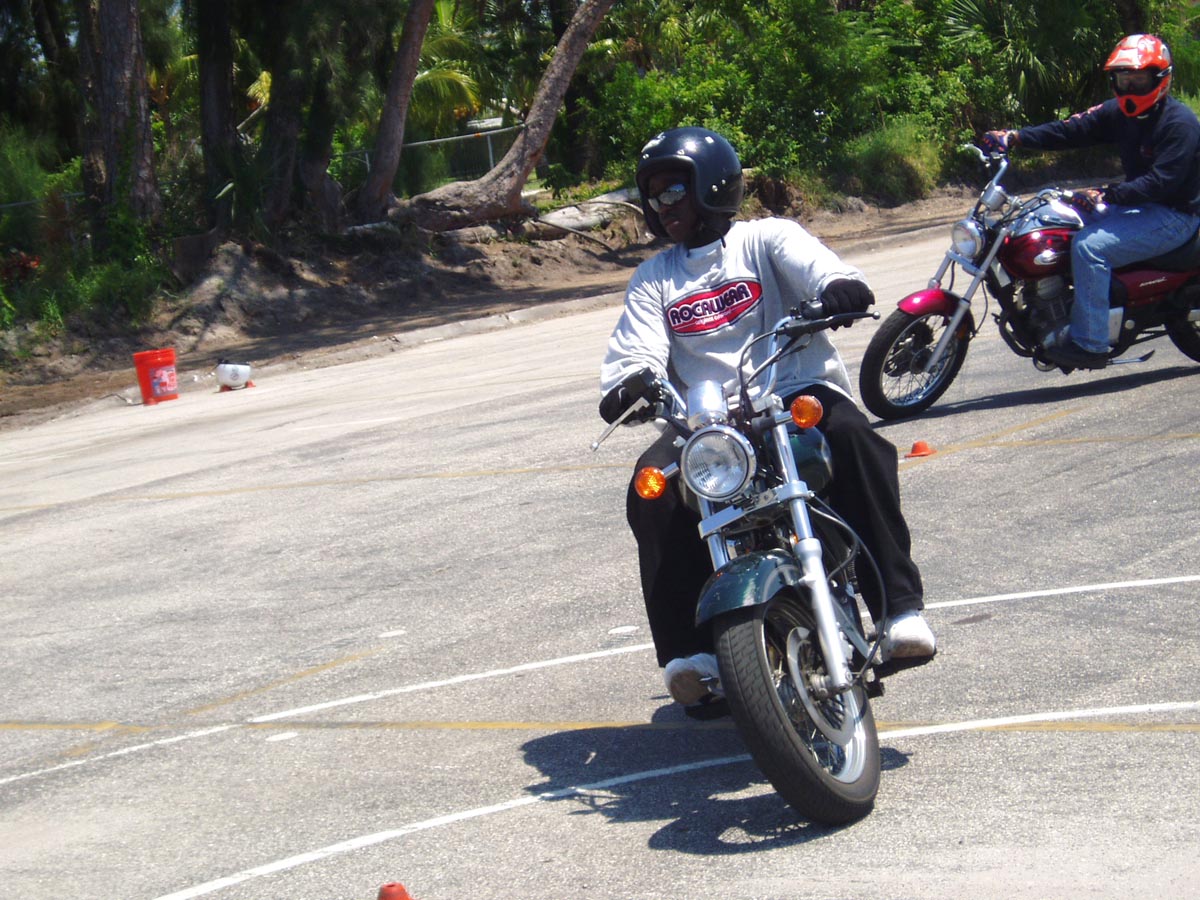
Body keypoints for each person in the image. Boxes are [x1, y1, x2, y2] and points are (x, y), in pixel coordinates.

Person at [598, 126, 936, 711]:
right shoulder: (654, 278)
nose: (662, 206)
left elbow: (821, 269)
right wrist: (630, 383)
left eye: (674, 191)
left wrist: (838, 289)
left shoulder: (767, 238)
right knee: (650, 489)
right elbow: (636, 351)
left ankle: (899, 610)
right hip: (706, 422)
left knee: (854, 436)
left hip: (792, 390)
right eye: (653, 197)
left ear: (712, 184)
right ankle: (691, 656)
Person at [981, 33, 1200, 371]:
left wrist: (1109, 193)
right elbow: (1069, 130)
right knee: (1058, 222)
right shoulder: (1118, 113)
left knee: (1089, 248)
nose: (1129, 87)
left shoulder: (1179, 123)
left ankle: (1091, 343)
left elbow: (1162, 182)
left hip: (1174, 215)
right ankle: (1061, 309)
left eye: (1138, 79)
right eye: (1123, 79)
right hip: (1137, 204)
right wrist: (1016, 137)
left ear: (1161, 79)